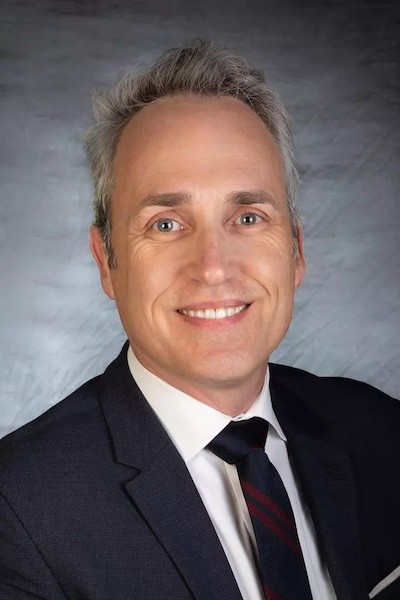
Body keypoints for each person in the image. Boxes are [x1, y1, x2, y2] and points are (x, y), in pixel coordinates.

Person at [0, 40, 399, 600]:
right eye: (166, 224)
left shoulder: (381, 432)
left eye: (247, 216)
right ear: (106, 262)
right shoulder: (18, 511)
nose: (213, 268)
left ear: (296, 250)